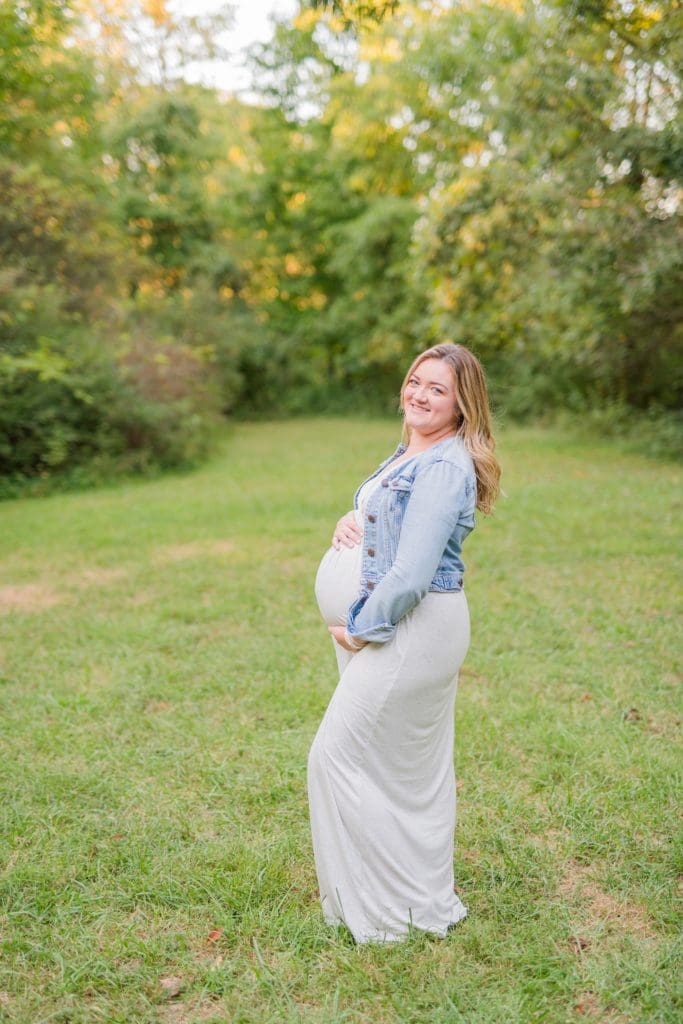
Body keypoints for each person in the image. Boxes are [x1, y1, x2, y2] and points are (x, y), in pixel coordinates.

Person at [307, 342, 501, 944]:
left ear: (462, 404)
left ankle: (388, 914)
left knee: (337, 755)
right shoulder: (412, 451)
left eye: (437, 389)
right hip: (393, 624)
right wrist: (352, 520)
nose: (419, 394)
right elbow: (389, 527)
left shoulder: (444, 465)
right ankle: (405, 898)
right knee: (396, 766)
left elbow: (414, 573)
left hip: (410, 627)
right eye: (416, 380)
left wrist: (360, 628)